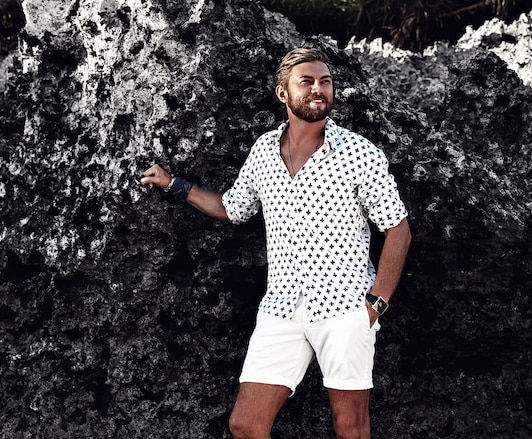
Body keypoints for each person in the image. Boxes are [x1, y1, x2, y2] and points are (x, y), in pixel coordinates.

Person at [140, 47, 411, 439]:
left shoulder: (359, 153)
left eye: (326, 82)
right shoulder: (264, 152)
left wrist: (376, 304)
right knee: (246, 425)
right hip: (281, 306)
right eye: (307, 82)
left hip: (346, 307)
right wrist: (175, 185)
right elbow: (233, 208)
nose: (318, 90)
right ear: (283, 93)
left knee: (350, 427)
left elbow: (398, 229)